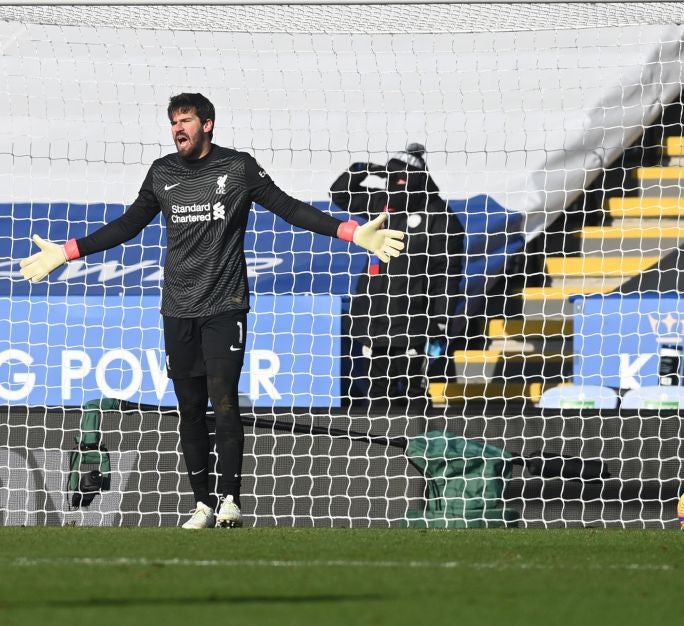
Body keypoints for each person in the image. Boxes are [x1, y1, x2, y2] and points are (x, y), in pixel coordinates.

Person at [19, 93, 405, 529]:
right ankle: (202, 503)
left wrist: (350, 232)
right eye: (173, 122)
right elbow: (128, 224)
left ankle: (230, 501)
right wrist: (68, 251)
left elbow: (289, 208)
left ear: (208, 124)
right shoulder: (162, 173)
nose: (177, 129)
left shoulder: (238, 168)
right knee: (189, 410)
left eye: (185, 120)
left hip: (224, 306)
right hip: (178, 309)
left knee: (224, 402)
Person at [330, 143, 465, 413]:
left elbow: (446, 274)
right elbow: (340, 193)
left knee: (415, 389)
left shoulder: (440, 217)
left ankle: (422, 440)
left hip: (415, 321)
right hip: (376, 315)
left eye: (402, 179)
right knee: (379, 390)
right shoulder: (383, 205)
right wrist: (362, 169)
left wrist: (440, 319)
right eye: (391, 179)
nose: (396, 185)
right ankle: (381, 448)